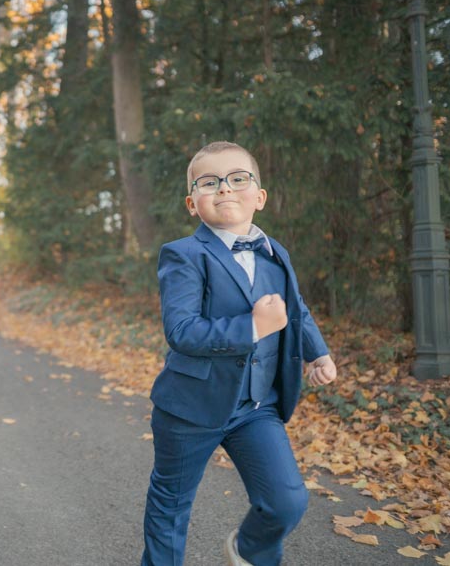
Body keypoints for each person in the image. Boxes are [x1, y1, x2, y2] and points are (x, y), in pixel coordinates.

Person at [141, 141, 338, 566]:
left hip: (255, 405)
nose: (225, 189)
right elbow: (181, 330)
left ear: (260, 197)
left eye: (237, 179)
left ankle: (250, 551)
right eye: (209, 182)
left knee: (286, 500)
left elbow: (295, 308)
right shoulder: (184, 254)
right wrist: (252, 328)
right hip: (190, 408)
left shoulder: (275, 253)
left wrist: (316, 353)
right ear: (193, 203)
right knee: (171, 507)